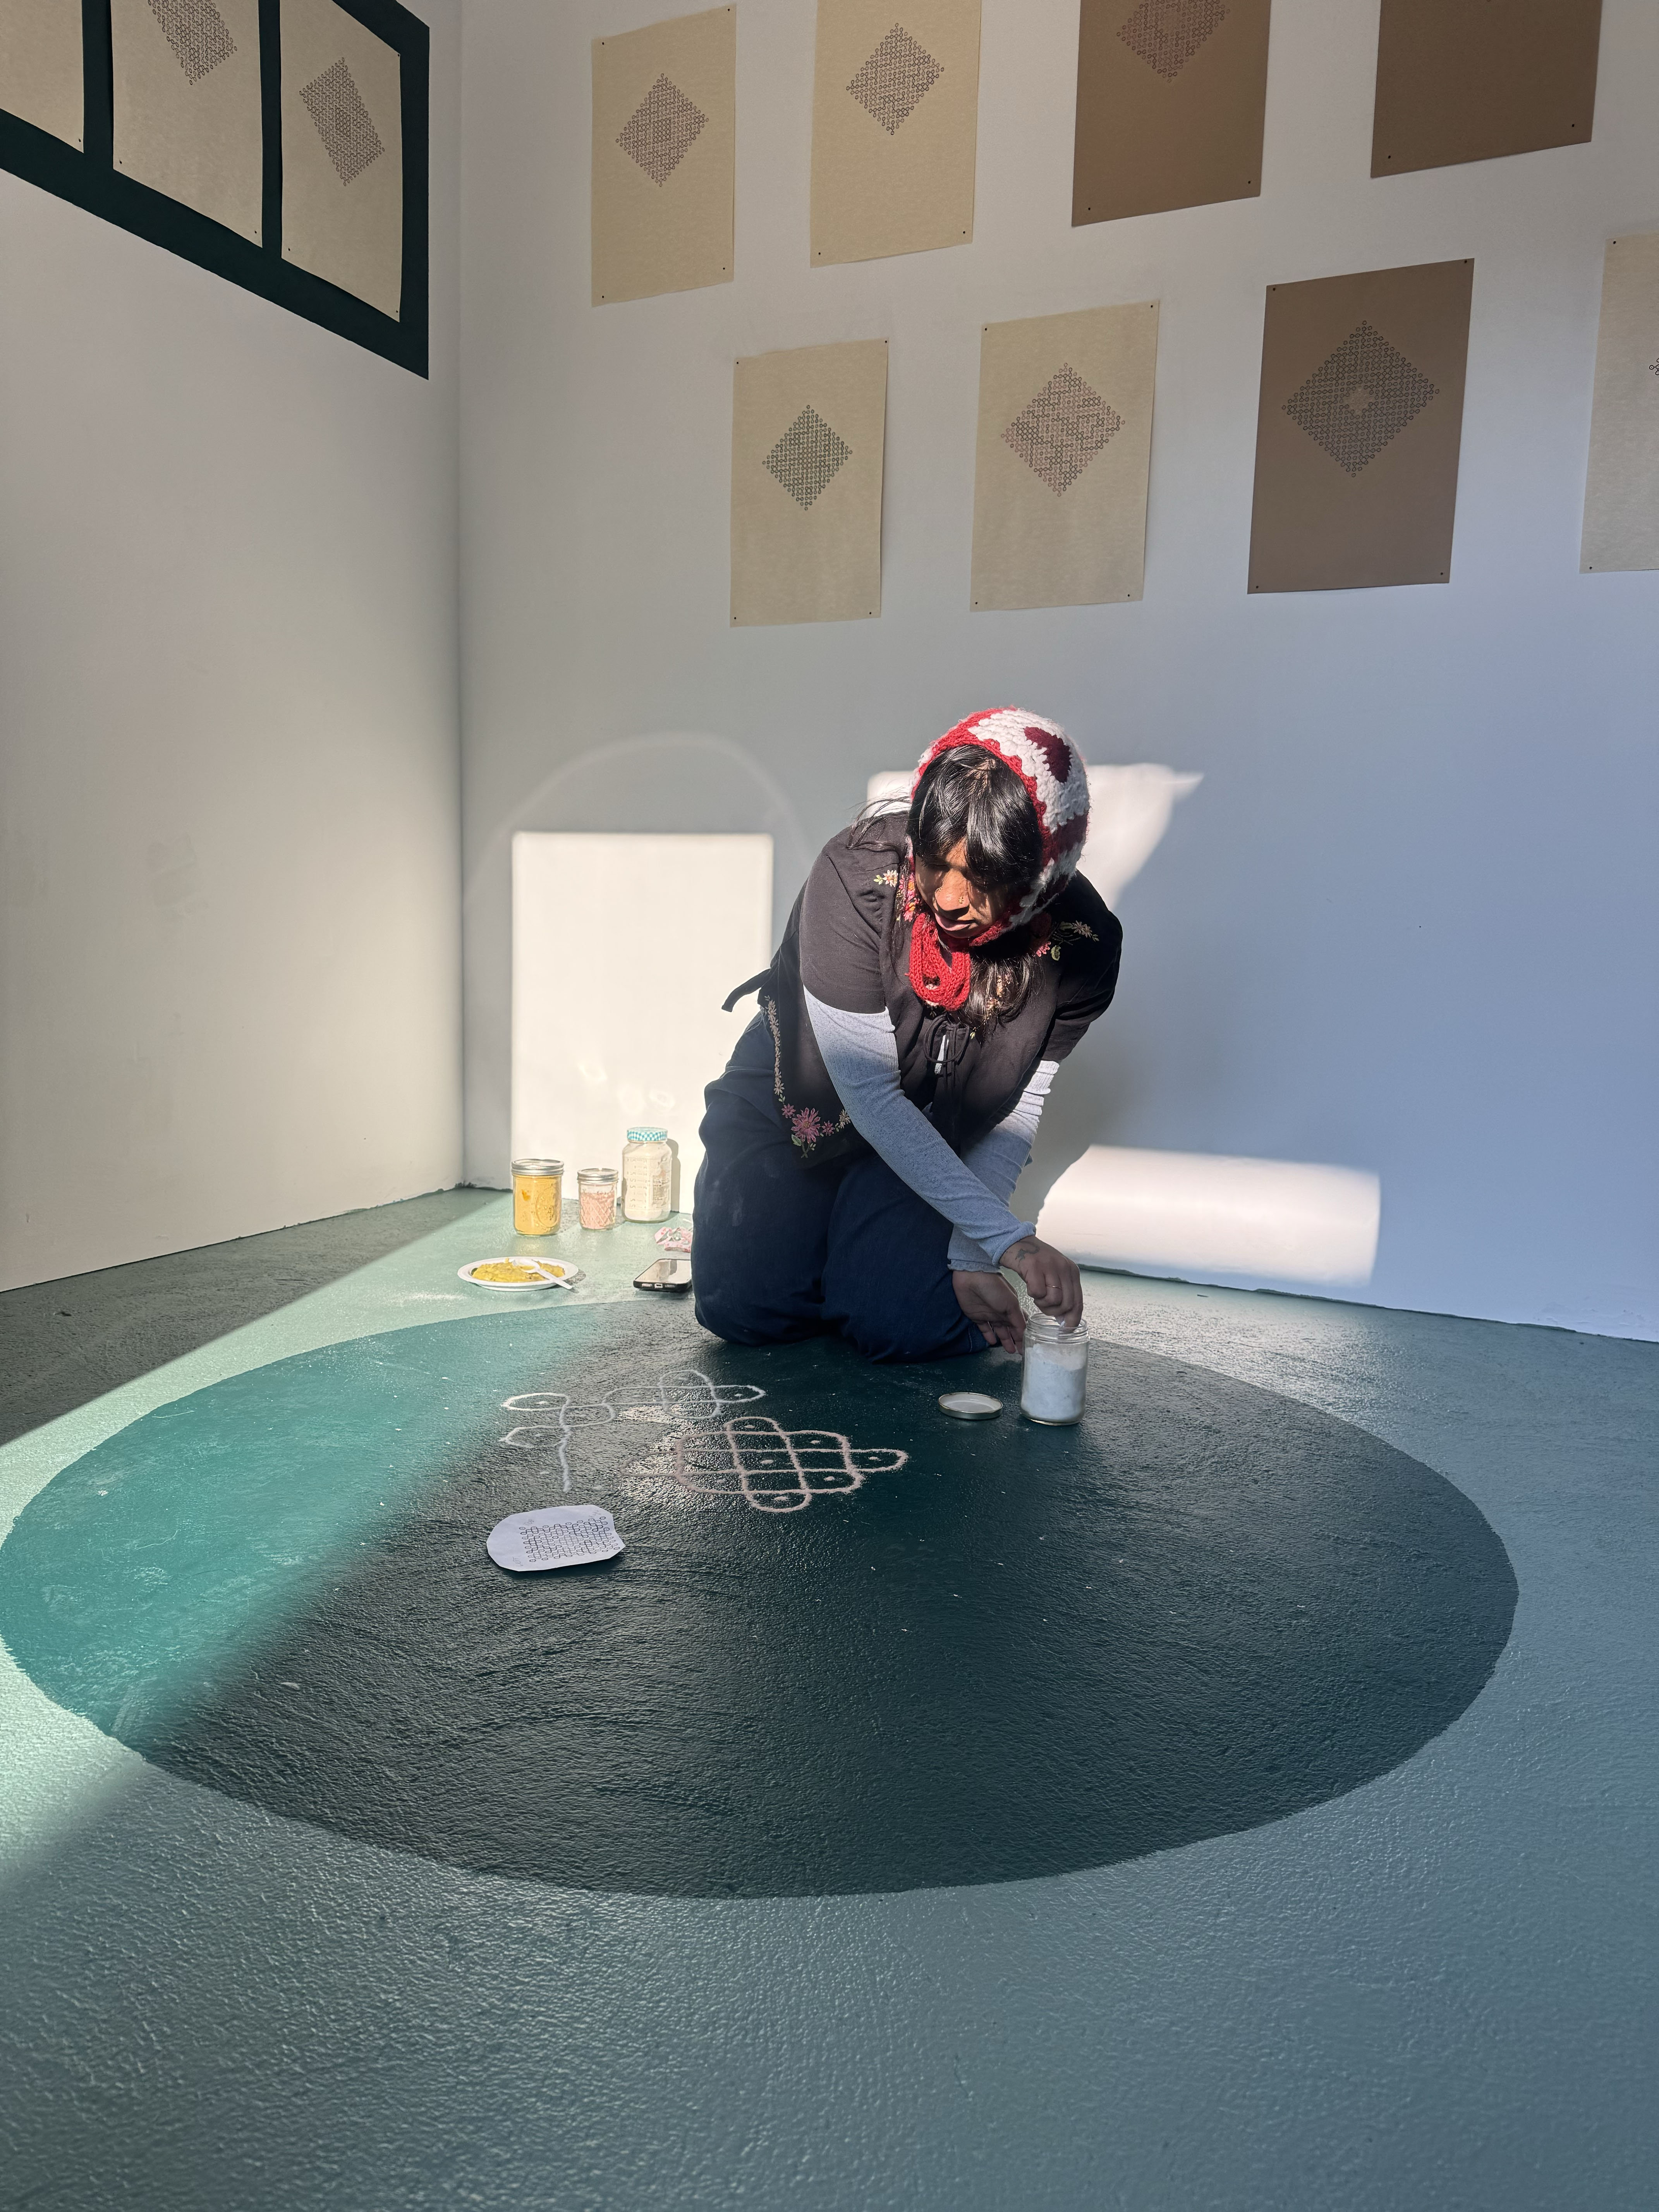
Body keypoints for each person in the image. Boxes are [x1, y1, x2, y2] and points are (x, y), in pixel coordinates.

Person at [692, 709, 1122, 1362]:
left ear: (1041, 872)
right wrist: (1009, 1241)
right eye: (934, 863)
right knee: (744, 1308)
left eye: (981, 878)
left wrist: (970, 1250)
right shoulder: (856, 871)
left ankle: (864, 1258)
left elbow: (1017, 1109)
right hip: (797, 1097)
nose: (949, 898)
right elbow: (863, 1087)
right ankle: (834, 1244)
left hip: (929, 1121)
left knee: (900, 1324)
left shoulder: (1083, 948)